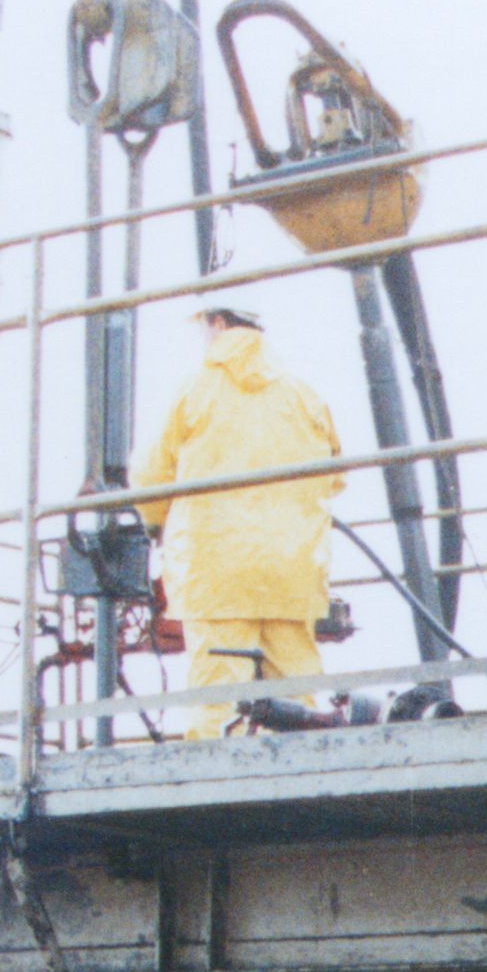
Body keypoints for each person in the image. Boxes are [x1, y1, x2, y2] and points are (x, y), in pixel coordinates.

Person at [135, 306, 345, 739]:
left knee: (220, 698)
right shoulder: (304, 394)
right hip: (291, 569)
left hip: (216, 568)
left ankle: (218, 776)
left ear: (218, 322)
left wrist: (155, 524)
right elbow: (335, 477)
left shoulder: (194, 389)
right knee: (297, 697)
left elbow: (150, 477)